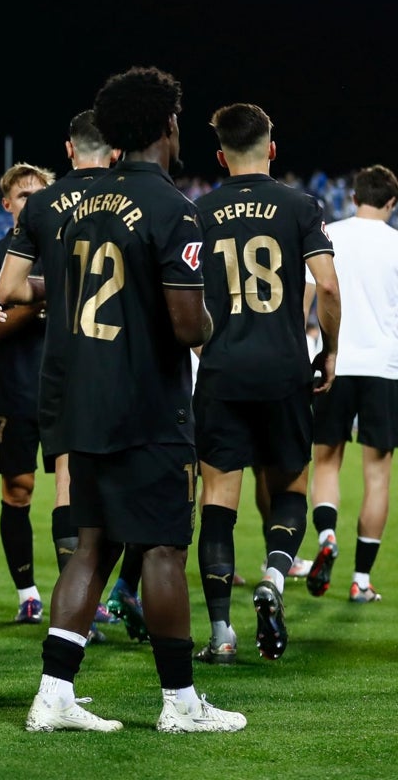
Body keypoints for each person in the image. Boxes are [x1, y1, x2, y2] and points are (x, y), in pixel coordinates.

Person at [24, 65, 245, 733]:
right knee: (162, 550)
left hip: (80, 399)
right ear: (168, 127)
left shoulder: (78, 204)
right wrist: (214, 322)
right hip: (146, 406)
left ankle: (54, 695)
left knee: (91, 546)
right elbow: (185, 324)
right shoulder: (175, 208)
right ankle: (180, 703)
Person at [190, 103, 339, 664]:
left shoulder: (199, 211)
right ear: (271, 149)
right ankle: (274, 577)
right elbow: (326, 287)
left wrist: (207, 348)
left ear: (220, 154)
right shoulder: (301, 205)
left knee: (218, 502)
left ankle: (222, 634)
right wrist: (328, 352)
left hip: (223, 370)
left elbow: (183, 303)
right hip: (283, 369)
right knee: (290, 490)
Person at [0, 112, 147, 644]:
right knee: (125, 496)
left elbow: (8, 289)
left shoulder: (43, 210)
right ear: (120, 149)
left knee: (69, 491)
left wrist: (54, 287)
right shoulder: (133, 201)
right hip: (111, 373)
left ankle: (73, 620)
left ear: (68, 149)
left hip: (59, 373)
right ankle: (112, 599)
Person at [305, 164, 398, 604]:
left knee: (325, 461)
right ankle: (361, 581)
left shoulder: (331, 234)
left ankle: (326, 535)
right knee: (377, 475)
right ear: (392, 202)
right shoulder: (397, 245)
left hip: (334, 359)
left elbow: (309, 296)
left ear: (355, 196)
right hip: (384, 367)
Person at [0, 162, 55, 624]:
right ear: (7, 204)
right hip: (16, 392)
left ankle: (80, 594)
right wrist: (42, 296)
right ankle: (27, 591)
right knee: (18, 490)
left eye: (39, 194)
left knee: (77, 493)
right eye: (23, 195)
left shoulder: (71, 248)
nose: (30, 202)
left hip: (71, 392)